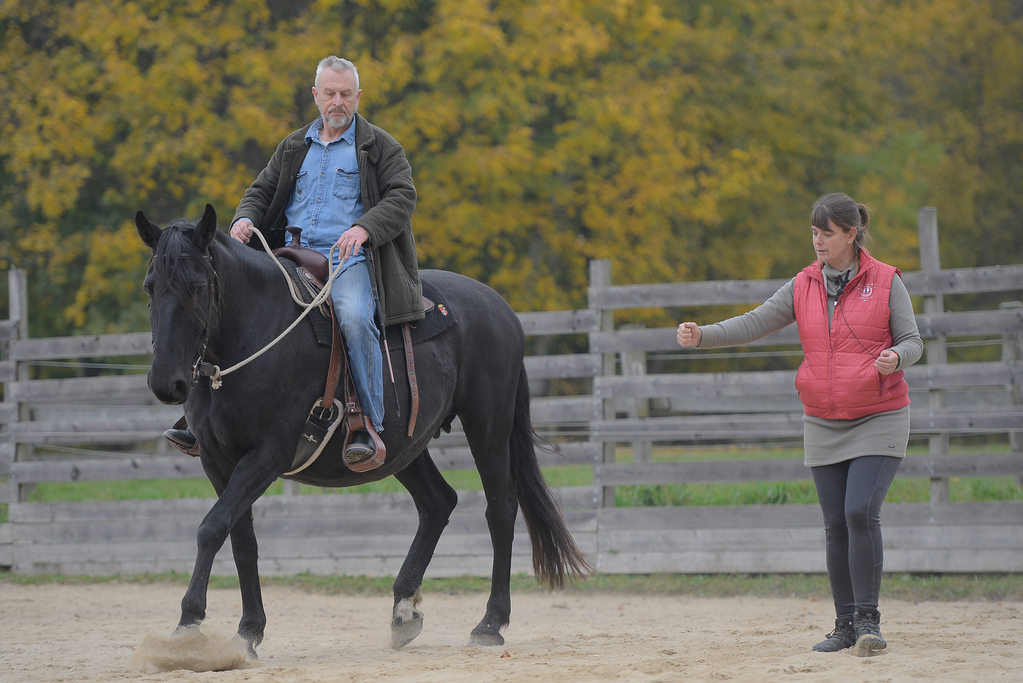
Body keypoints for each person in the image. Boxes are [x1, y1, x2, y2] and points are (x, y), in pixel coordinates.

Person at [676, 192, 923, 656]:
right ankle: (845, 625)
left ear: (851, 234)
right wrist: (703, 336)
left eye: (827, 232)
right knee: (834, 524)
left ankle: (870, 623)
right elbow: (755, 321)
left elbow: (913, 339)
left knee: (858, 513)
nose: (818, 241)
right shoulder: (803, 285)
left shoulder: (887, 281)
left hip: (880, 415)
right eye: (814, 232)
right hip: (824, 420)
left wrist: (896, 357)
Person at [165, 55, 424, 462]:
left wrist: (364, 228)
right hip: (285, 256)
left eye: (345, 94)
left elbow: (402, 196)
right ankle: (196, 422)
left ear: (358, 97)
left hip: (348, 260)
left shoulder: (379, 147)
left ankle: (367, 425)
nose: (337, 102)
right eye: (329, 94)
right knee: (218, 304)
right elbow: (260, 190)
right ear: (315, 96)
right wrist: (245, 219)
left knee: (354, 318)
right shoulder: (292, 146)